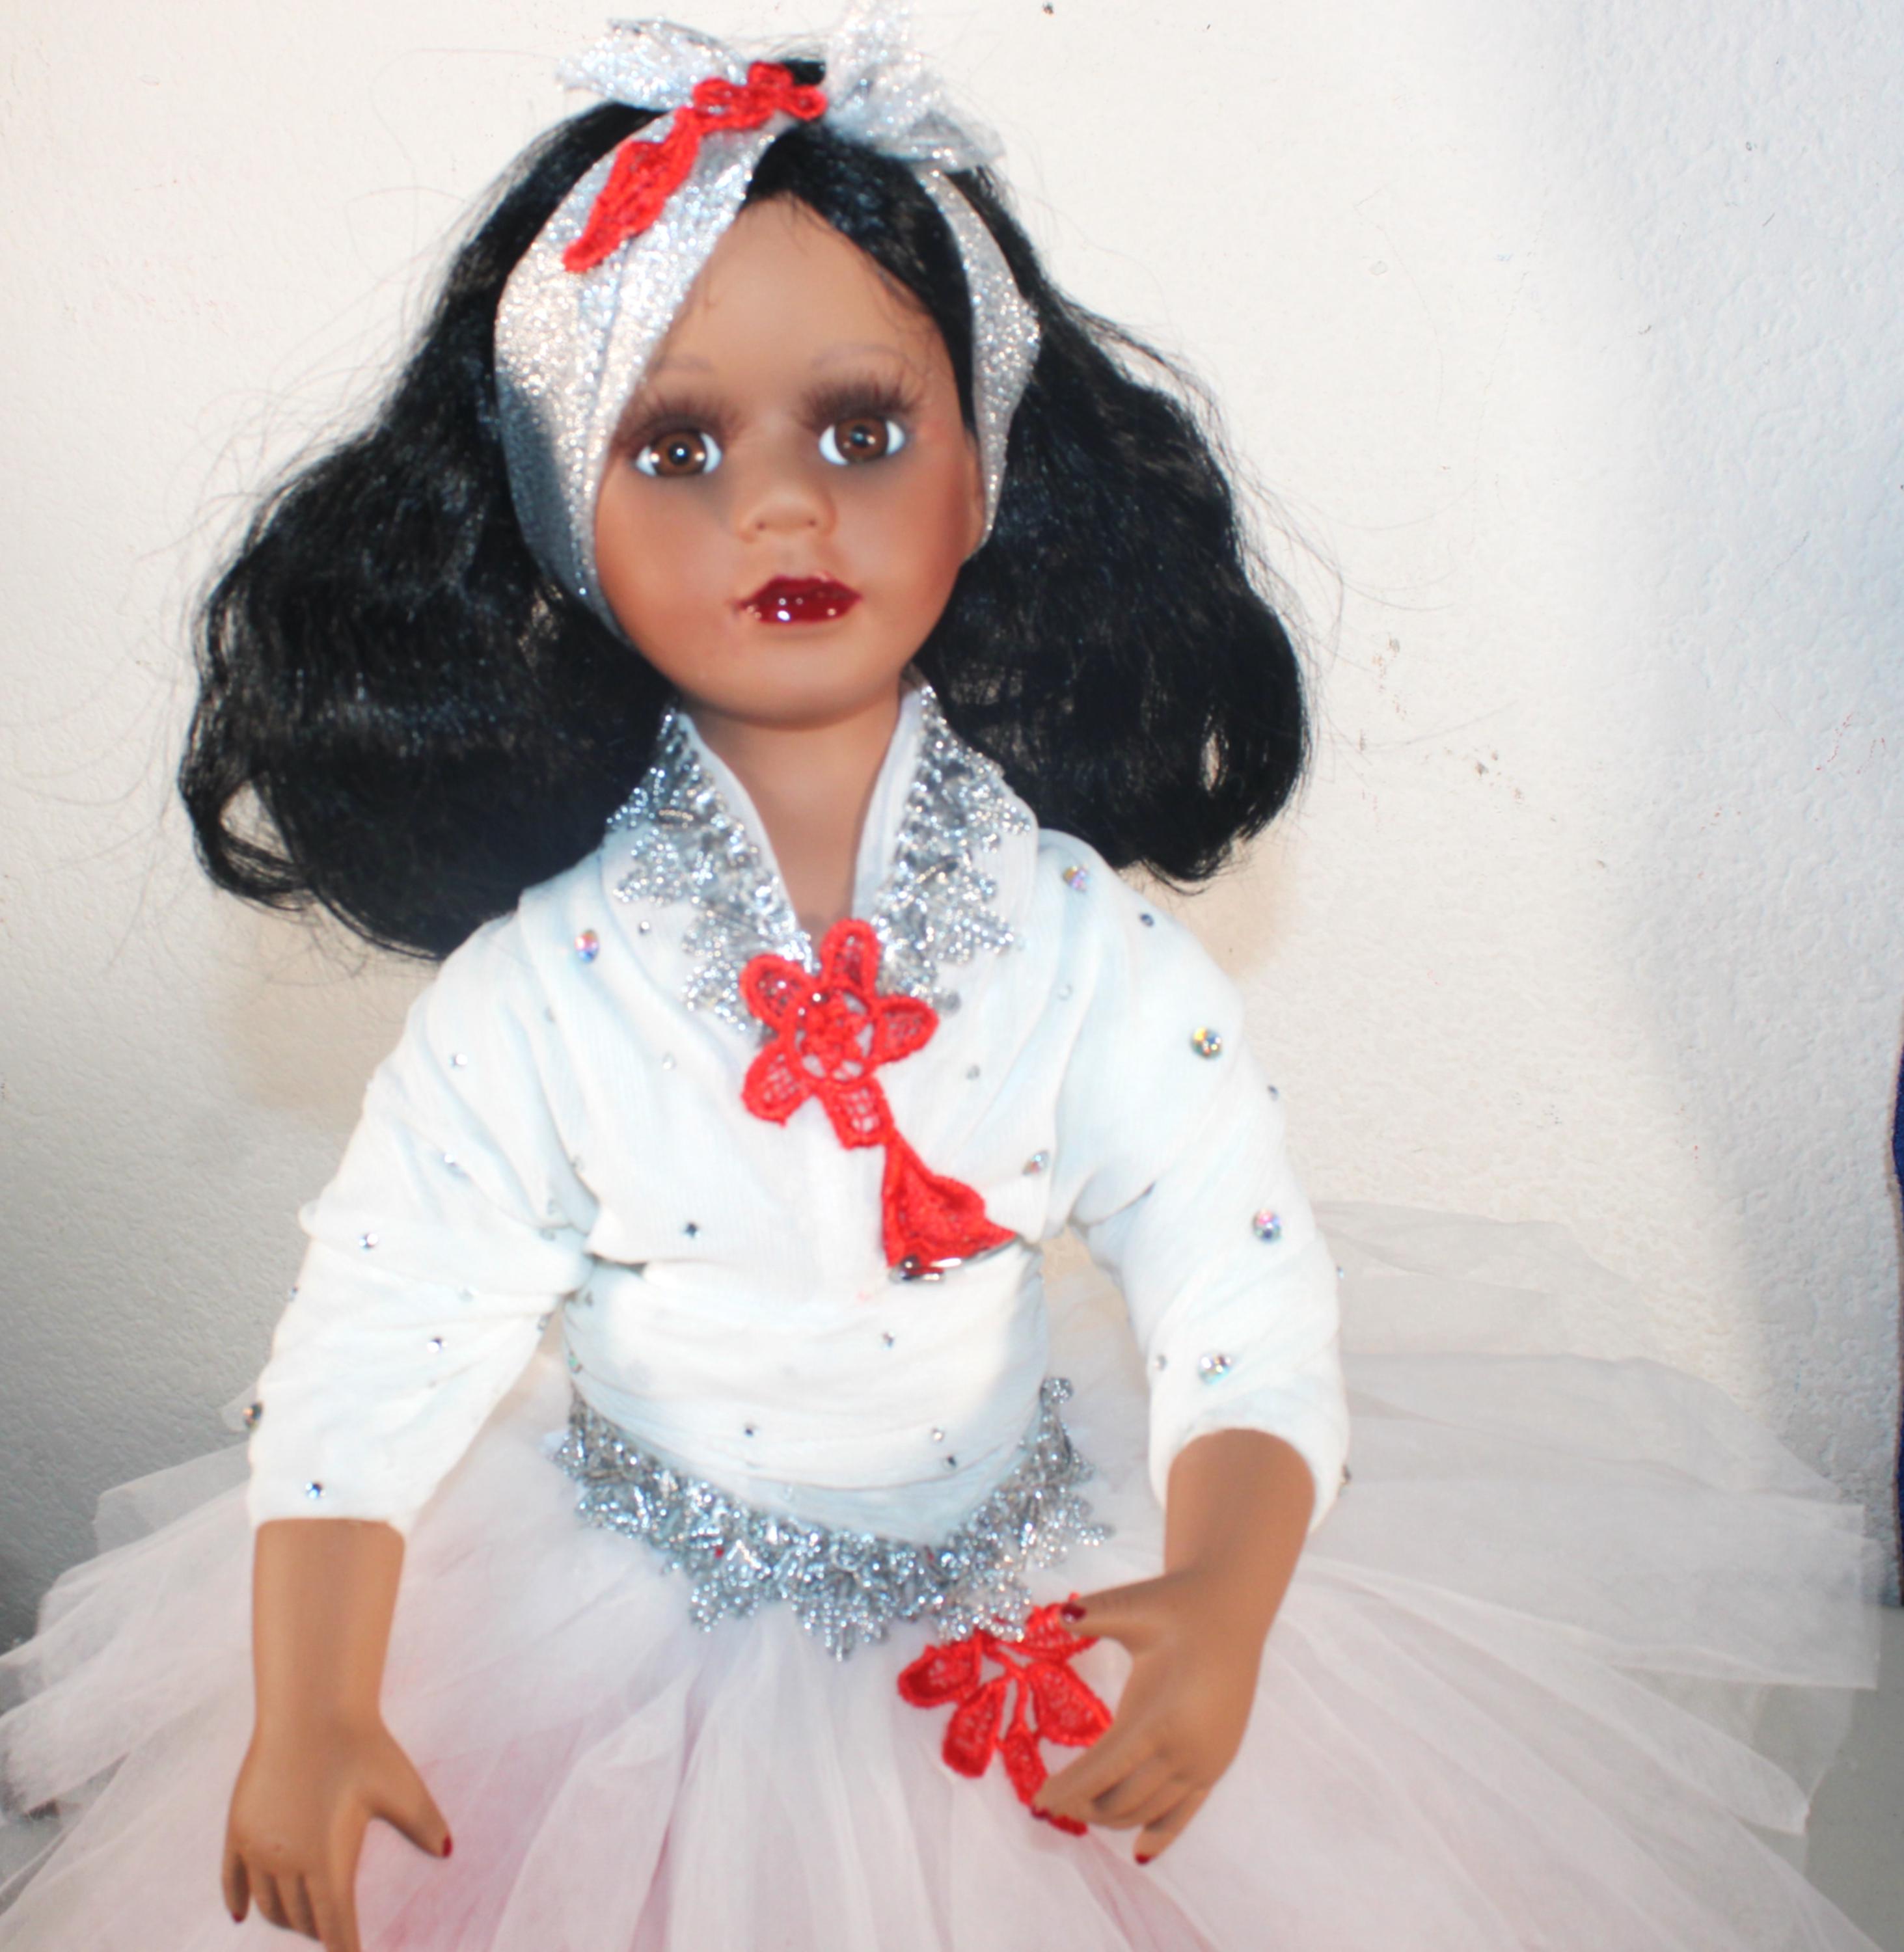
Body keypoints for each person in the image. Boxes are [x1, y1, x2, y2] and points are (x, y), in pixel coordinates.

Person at [0, 8, 1881, 1949]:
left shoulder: (1084, 955)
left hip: (1031, 1573)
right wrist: (316, 1702)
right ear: (566, 524)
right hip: (617, 1659)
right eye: (676, 447)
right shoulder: (542, 994)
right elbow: (380, 1341)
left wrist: (1226, 1599)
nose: (782, 508)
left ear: (985, 477)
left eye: (864, 429)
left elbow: (1234, 1293)